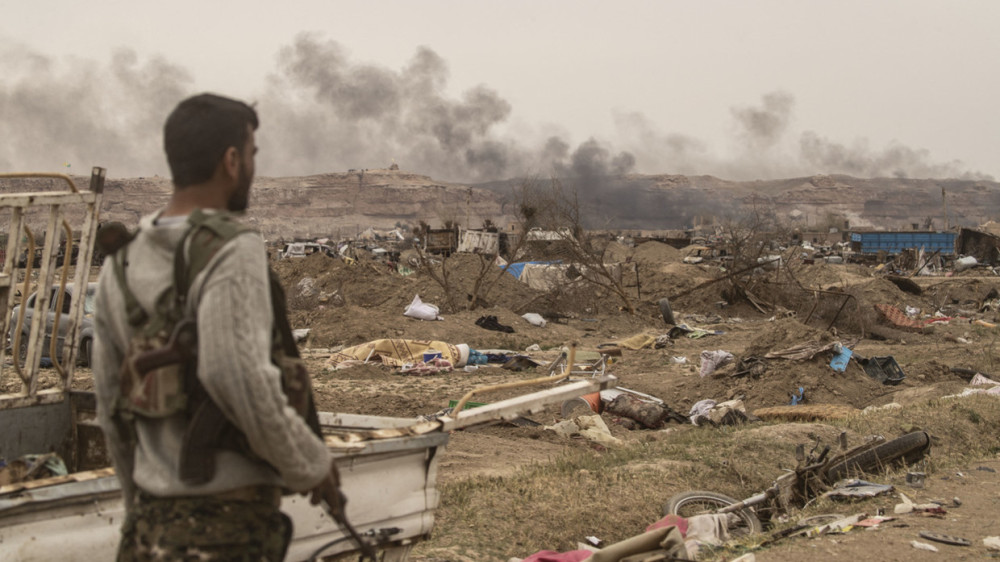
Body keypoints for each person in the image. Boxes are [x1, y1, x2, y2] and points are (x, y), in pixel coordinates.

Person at [93, 93, 340, 561]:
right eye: (251, 155)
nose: (251, 166)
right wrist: (311, 465)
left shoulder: (119, 264)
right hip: (224, 533)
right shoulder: (232, 248)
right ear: (231, 161)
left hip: (148, 530)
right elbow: (237, 377)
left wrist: (138, 507)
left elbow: (110, 406)